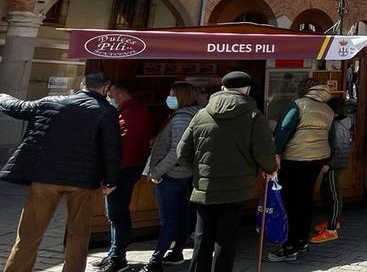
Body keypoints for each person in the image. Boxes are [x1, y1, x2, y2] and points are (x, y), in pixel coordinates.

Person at [0, 73, 121, 272]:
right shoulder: (106, 111)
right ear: (106, 88)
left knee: (29, 234)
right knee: (78, 235)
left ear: (82, 85)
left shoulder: (51, 102)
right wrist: (111, 181)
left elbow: (18, 107)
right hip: (83, 181)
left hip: (45, 178)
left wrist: (2, 98)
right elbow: (112, 149)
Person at [177, 70, 278, 272]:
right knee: (226, 239)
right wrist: (271, 169)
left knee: (202, 238)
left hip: (205, 187)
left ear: (223, 88)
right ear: (247, 90)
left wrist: (199, 173)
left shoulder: (201, 113)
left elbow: (182, 152)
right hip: (237, 188)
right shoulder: (253, 115)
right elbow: (264, 150)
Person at [268, 80, 336, 262]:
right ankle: (301, 240)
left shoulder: (298, 105)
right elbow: (332, 137)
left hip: (295, 158)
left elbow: (283, 129)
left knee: (291, 202)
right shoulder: (327, 109)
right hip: (318, 158)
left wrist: (275, 152)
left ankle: (290, 246)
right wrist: (327, 160)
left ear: (304, 90)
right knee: (305, 200)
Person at [138, 82, 202, 272]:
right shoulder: (195, 114)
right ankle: (176, 252)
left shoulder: (181, 118)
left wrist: (156, 172)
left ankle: (155, 260)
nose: (169, 98)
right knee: (181, 216)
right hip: (185, 174)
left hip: (172, 175)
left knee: (169, 219)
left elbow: (176, 151)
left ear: (181, 97)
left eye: (172, 94)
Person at [96, 81, 152, 272]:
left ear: (120, 95)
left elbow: (125, 146)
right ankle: (114, 253)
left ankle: (118, 257)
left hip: (123, 170)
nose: (109, 98)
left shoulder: (130, 113)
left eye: (110, 95)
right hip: (127, 168)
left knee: (117, 214)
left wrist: (112, 176)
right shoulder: (132, 111)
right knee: (114, 214)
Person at [311, 96, 352, 244]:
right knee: (325, 191)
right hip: (334, 163)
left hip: (334, 164)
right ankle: (331, 220)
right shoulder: (339, 123)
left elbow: (339, 147)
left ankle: (332, 228)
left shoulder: (337, 125)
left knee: (333, 195)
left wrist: (330, 164)